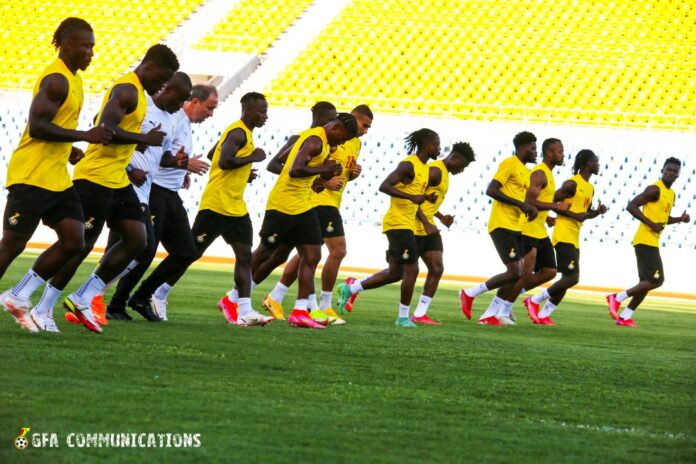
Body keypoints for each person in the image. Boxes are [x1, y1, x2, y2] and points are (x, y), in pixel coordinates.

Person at [47, 44, 178, 333]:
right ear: (151, 67)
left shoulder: (140, 95)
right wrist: (140, 137)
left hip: (117, 180)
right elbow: (104, 128)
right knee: (78, 247)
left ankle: (82, 296)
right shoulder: (126, 89)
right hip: (95, 178)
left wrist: (137, 141)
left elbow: (120, 130)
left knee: (138, 240)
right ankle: (41, 307)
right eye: (163, 78)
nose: (163, 85)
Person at [0, 17, 113, 333]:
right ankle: (19, 296)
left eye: (93, 46)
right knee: (12, 245)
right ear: (67, 44)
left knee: (74, 240)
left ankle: (19, 294)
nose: (91, 52)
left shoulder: (74, 79)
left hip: (57, 178)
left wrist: (71, 149)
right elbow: (37, 126)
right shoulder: (56, 79)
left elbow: (55, 126)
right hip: (31, 176)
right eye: (86, 46)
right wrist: (83, 136)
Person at [127, 92, 271, 326]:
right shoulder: (238, 132)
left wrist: (245, 172)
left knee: (245, 256)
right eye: (261, 111)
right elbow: (224, 161)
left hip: (235, 207)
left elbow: (216, 154)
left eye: (266, 111)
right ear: (247, 110)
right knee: (190, 253)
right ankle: (158, 294)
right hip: (216, 205)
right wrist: (252, 158)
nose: (265, 116)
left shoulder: (242, 133)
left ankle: (244, 309)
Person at [73, 72, 194, 324]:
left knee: (137, 246)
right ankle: (86, 298)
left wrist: (178, 163)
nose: (180, 106)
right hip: (121, 181)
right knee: (96, 244)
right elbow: (106, 127)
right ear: (167, 90)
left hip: (142, 189)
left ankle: (89, 298)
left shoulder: (169, 119)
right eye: (180, 99)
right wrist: (130, 168)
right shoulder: (143, 107)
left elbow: (157, 155)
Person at [260, 105, 373, 325]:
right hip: (319, 201)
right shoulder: (325, 137)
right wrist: (325, 179)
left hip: (329, 201)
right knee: (336, 251)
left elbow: (339, 173)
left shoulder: (355, 143)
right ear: (351, 119)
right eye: (364, 125)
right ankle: (323, 305)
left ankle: (280, 298)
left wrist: (353, 174)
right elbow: (310, 167)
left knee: (304, 254)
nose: (365, 131)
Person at [130, 84, 218, 321]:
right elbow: (154, 154)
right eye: (209, 108)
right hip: (156, 191)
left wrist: (183, 171)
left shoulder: (185, 124)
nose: (211, 114)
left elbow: (173, 155)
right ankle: (116, 302)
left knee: (186, 251)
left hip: (170, 193)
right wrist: (185, 165)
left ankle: (142, 295)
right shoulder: (174, 119)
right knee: (145, 250)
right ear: (194, 102)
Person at [336, 128, 440, 328]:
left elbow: (412, 195)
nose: (439, 148)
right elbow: (384, 186)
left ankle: (351, 289)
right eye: (437, 144)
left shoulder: (425, 169)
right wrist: (411, 197)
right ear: (427, 145)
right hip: (397, 224)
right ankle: (402, 318)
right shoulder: (409, 165)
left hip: (407, 223)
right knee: (412, 269)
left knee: (395, 273)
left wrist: (425, 198)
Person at [458, 131, 538, 325]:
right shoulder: (509, 164)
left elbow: (519, 198)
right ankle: (469, 293)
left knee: (517, 273)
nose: (536, 152)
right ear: (522, 148)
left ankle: (489, 315)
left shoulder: (525, 171)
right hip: (501, 224)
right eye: (533, 148)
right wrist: (520, 205)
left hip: (515, 226)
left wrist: (529, 208)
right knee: (513, 272)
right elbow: (491, 190)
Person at [524, 149, 607, 325]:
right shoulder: (572, 184)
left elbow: (583, 214)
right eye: (595, 160)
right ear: (586, 163)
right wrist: (572, 216)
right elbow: (555, 204)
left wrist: (597, 212)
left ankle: (545, 314)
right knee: (572, 277)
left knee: (568, 279)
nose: (598, 164)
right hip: (563, 234)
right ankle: (534, 300)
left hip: (574, 237)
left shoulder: (590, 188)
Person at [606, 157, 689, 327]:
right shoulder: (654, 189)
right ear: (662, 171)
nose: (672, 173)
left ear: (679, 174)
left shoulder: (671, 194)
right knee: (657, 280)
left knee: (646, 284)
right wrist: (651, 224)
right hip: (644, 241)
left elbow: (663, 220)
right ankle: (617, 297)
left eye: (675, 171)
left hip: (652, 241)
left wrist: (680, 219)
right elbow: (631, 206)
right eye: (669, 170)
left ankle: (625, 317)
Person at [497, 138, 569, 325]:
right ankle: (503, 310)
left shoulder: (549, 174)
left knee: (550, 271)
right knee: (525, 273)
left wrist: (547, 216)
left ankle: (507, 300)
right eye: (560, 151)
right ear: (550, 153)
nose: (563, 155)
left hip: (540, 229)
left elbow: (539, 203)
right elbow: (529, 201)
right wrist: (556, 206)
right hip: (528, 228)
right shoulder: (539, 173)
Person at [409, 142, 476, 325]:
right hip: (413, 226)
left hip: (428, 226)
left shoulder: (444, 173)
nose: (461, 171)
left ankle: (420, 313)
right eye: (462, 166)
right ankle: (354, 287)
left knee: (437, 268)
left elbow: (426, 201)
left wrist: (440, 217)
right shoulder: (434, 171)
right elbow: (411, 198)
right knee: (397, 271)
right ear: (454, 158)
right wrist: (425, 222)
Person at [266, 101, 337, 175]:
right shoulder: (299, 138)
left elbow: (315, 170)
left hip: (307, 186)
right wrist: (296, 174)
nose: (333, 124)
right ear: (317, 117)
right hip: (290, 186)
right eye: (330, 120)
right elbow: (273, 165)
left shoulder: (327, 141)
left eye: (334, 120)